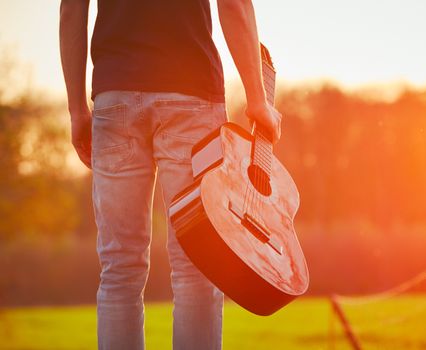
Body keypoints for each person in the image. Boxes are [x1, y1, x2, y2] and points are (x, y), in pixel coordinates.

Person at [59, 0, 282, 349]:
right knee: (198, 266)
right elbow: (235, 4)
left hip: (115, 98)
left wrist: (76, 109)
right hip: (191, 95)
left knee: (120, 268)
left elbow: (72, 7)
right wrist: (257, 98)